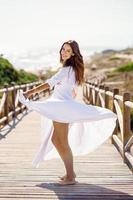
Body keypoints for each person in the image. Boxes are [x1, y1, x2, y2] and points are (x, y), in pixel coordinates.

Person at [19, 40, 117, 185]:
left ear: (73, 54)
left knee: (63, 142)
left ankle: (71, 177)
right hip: (61, 107)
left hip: (61, 108)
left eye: (68, 50)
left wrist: (30, 92)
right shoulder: (71, 69)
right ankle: (70, 172)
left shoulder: (66, 69)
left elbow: (49, 83)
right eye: (63, 49)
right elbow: (72, 89)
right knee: (55, 140)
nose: (63, 52)